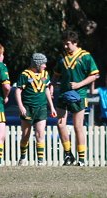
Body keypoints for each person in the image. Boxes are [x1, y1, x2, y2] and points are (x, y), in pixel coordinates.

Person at [52, 30, 99, 166]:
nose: (65, 46)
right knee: (60, 124)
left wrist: (79, 84)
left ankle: (82, 159)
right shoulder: (62, 57)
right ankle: (68, 155)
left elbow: (94, 75)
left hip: (79, 95)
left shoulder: (85, 57)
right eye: (64, 44)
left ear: (75, 42)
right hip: (63, 94)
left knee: (78, 126)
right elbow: (56, 74)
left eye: (67, 44)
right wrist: (51, 86)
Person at [15, 53, 57, 166]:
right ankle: (22, 158)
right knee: (25, 135)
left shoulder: (45, 74)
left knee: (40, 134)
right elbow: (18, 91)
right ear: (37, 64)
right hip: (28, 108)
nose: (45, 66)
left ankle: (40, 161)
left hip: (41, 108)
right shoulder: (25, 74)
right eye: (43, 63)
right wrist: (21, 106)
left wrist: (52, 107)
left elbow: (47, 90)